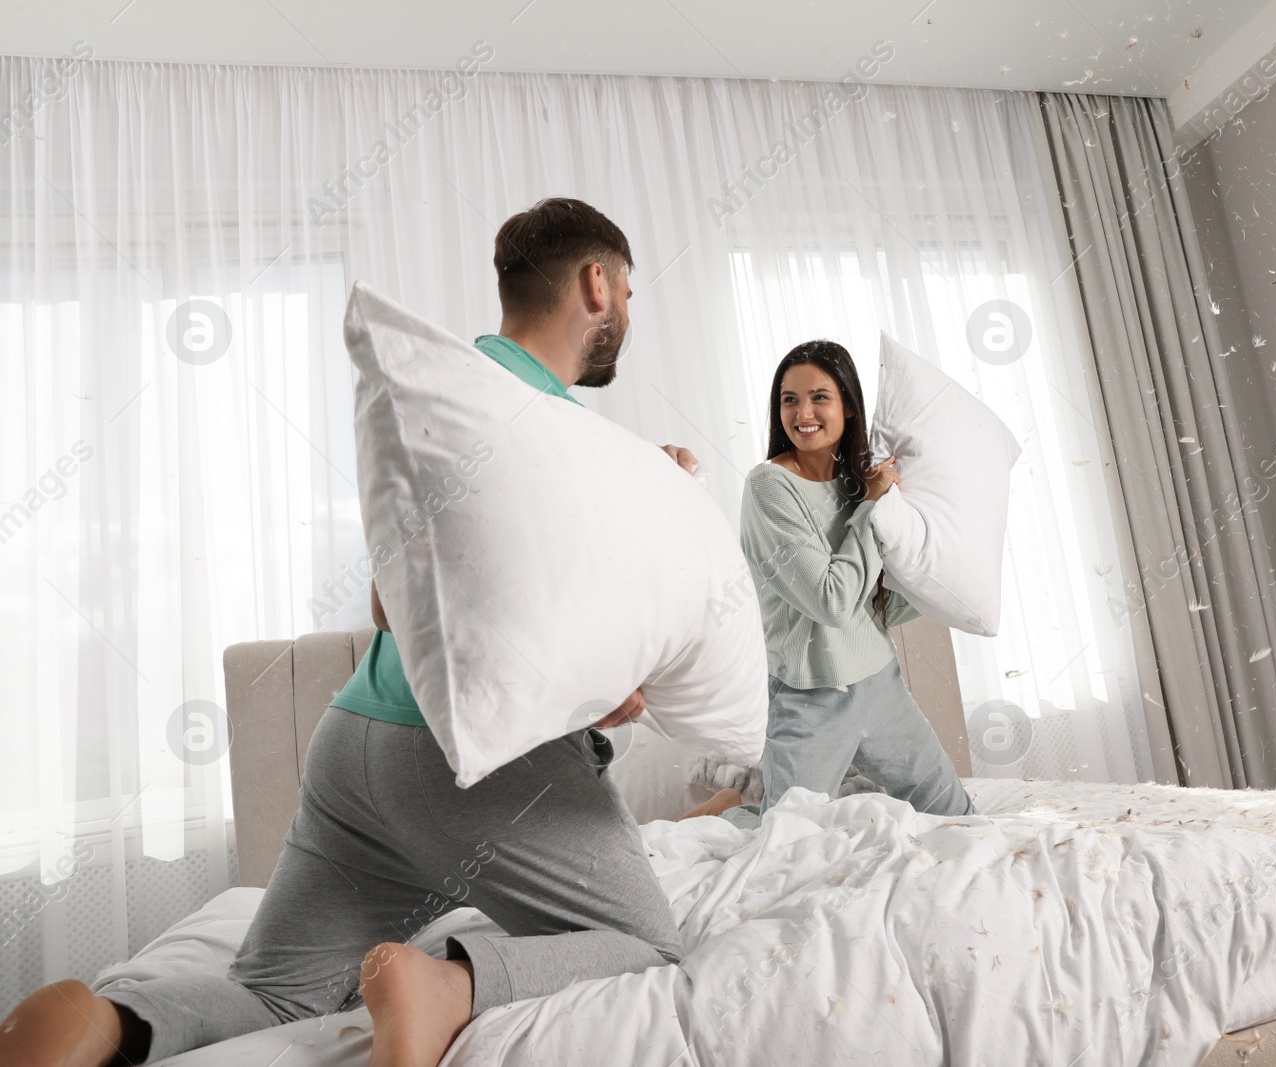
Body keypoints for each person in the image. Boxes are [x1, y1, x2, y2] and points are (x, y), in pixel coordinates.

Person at [0, 198, 702, 1067]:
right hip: (469, 763)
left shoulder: (455, 394)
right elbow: (424, 603)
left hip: (357, 744)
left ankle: (108, 1022)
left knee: (273, 991)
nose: (628, 312)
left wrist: (649, 505)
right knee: (651, 946)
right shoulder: (543, 424)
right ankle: (445, 984)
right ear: (598, 282)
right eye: (628, 289)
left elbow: (425, 596)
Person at [690, 340, 974, 827]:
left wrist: (940, 575)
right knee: (783, 837)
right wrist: (871, 508)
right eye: (789, 399)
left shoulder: (857, 481)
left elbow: (875, 601)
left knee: (957, 815)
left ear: (847, 404)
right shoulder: (768, 488)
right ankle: (725, 809)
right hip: (810, 695)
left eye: (819, 397)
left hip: (879, 680)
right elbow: (832, 602)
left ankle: (749, 804)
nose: (803, 413)